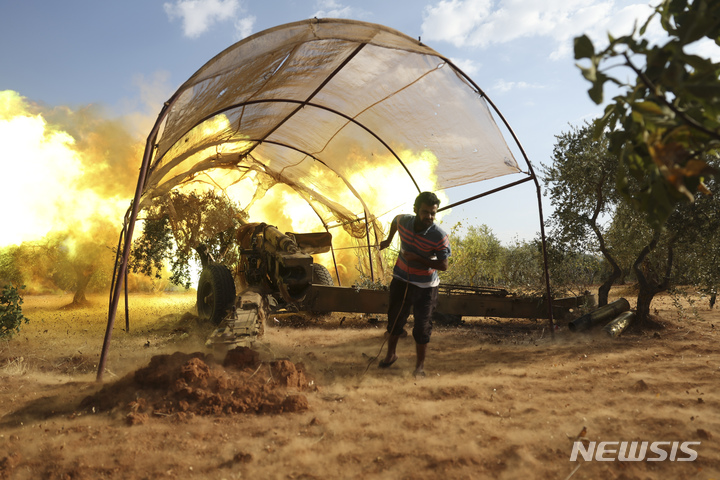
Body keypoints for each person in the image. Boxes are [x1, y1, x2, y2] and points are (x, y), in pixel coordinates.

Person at [378, 191, 450, 378]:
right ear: (416, 210)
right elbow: (395, 220)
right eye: (425, 212)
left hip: (426, 287)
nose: (430, 217)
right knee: (394, 320)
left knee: (421, 327)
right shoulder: (404, 221)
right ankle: (390, 355)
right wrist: (388, 240)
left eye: (433, 213)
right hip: (401, 279)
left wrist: (418, 258)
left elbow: (443, 265)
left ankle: (419, 367)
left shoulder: (439, 236)